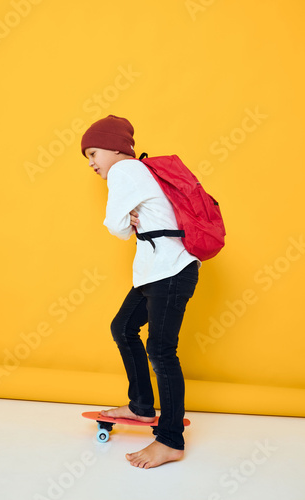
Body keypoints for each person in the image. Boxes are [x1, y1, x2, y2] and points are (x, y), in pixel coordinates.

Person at [81, 115, 200, 469]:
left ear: (116, 149)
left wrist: (124, 220)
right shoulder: (141, 172)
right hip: (158, 272)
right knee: (123, 327)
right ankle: (141, 405)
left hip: (171, 272)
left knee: (162, 351)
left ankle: (170, 441)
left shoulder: (124, 171)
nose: (91, 163)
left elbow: (116, 227)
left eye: (93, 152)